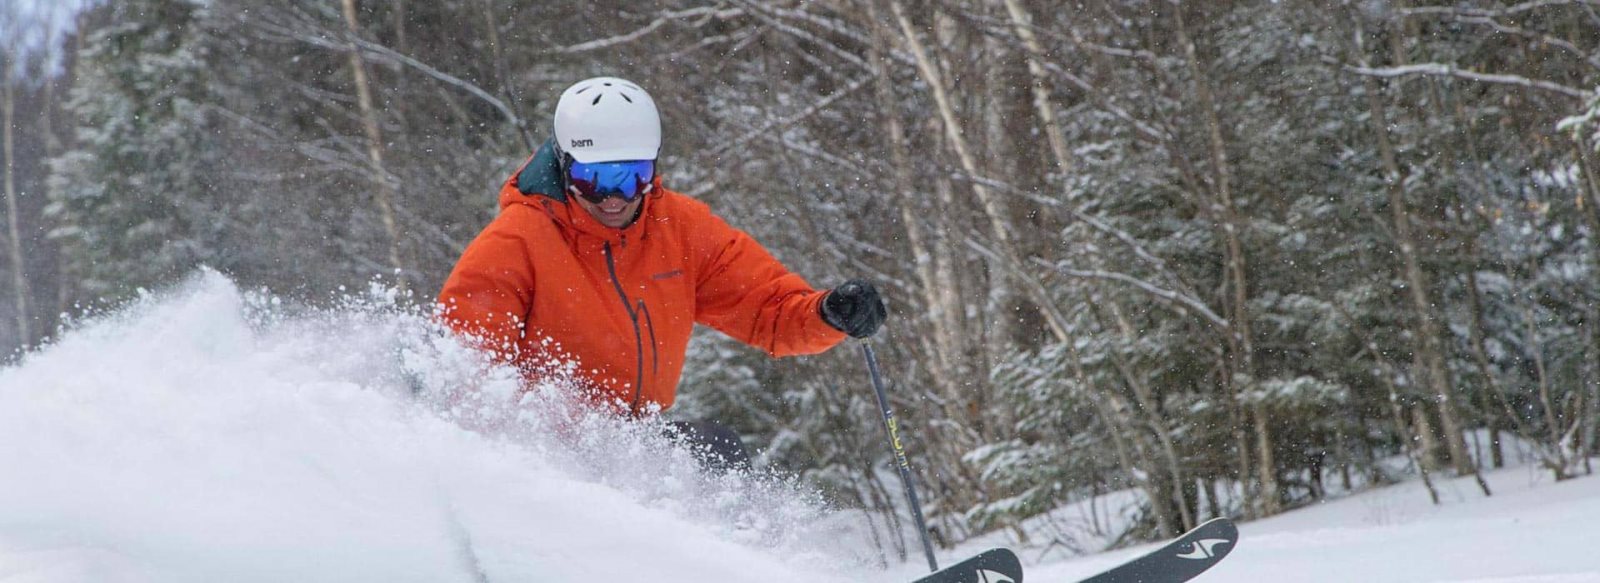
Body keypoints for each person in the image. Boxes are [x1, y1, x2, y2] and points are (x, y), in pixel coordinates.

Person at [436, 76, 886, 471]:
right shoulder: (517, 241)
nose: (613, 198)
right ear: (566, 165)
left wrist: (827, 313)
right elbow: (465, 367)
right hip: (545, 451)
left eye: (631, 176)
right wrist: (534, 439)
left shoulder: (679, 229)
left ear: (653, 169)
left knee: (716, 452)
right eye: (595, 179)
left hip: (634, 441)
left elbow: (769, 309)